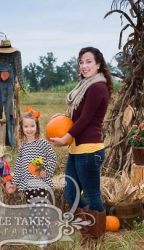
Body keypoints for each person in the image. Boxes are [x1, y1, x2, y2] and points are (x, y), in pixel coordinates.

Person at [50, 47, 112, 244]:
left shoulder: (97, 87)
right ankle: (87, 229)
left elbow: (85, 120)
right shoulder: (85, 85)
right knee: (70, 192)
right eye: (81, 62)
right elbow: (77, 115)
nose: (83, 66)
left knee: (92, 194)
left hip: (89, 150)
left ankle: (96, 237)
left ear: (98, 64)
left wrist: (65, 138)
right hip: (78, 149)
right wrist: (61, 118)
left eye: (88, 62)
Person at [10, 107, 56, 243]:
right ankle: (32, 233)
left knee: (41, 208)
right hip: (28, 184)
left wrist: (46, 170)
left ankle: (44, 235)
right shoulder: (23, 147)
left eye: (32, 126)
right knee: (31, 209)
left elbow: (52, 157)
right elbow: (18, 166)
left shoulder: (42, 144)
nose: (29, 129)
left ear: (37, 126)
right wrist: (15, 183)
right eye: (26, 126)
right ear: (22, 128)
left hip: (41, 182)